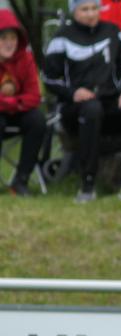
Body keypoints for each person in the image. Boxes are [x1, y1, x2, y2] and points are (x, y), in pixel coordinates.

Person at [43, 0, 121, 204]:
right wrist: (73, 92)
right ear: (74, 11)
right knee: (91, 109)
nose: (91, 14)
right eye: (85, 9)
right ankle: (87, 185)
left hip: (109, 100)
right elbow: (49, 79)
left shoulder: (112, 31)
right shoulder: (62, 37)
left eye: (94, 8)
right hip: (76, 107)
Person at [0, 9, 45, 197]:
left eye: (13, 38)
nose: (9, 43)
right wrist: (13, 103)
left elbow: (35, 96)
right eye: (3, 38)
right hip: (5, 112)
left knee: (38, 120)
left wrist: (13, 103)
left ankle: (21, 181)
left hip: (18, 109)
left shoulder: (26, 58)